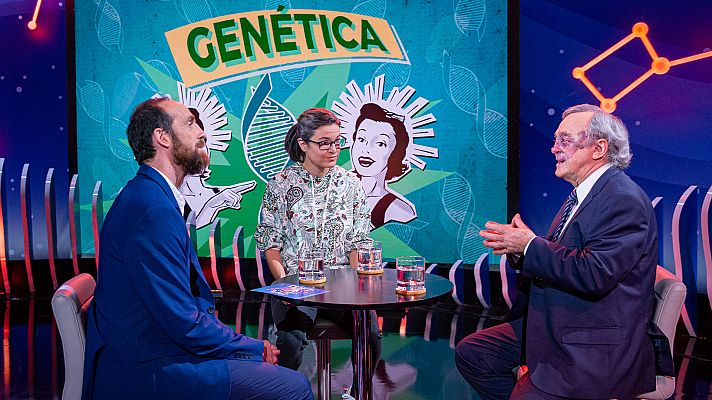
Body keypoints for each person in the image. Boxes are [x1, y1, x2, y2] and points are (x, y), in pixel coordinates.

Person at [82, 98, 312, 400]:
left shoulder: (151, 195)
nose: (202, 132)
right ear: (162, 137)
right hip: (153, 367)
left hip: (160, 349)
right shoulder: (152, 209)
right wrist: (253, 348)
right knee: (294, 388)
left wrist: (243, 346)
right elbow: (182, 321)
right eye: (190, 123)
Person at [455, 104, 659, 399]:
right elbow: (566, 257)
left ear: (599, 148)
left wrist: (529, 245)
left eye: (565, 140)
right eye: (555, 140)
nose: (554, 148)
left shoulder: (622, 199)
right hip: (559, 321)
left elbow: (595, 274)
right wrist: (521, 249)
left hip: (592, 344)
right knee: (474, 354)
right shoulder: (585, 193)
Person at [254, 108, 382, 386]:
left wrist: (355, 284)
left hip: (342, 286)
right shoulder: (280, 184)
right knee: (290, 341)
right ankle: (285, 392)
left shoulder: (350, 183)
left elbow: (358, 240)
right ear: (303, 144)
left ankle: (359, 392)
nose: (333, 149)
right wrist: (286, 285)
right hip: (296, 284)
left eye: (337, 142)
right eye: (324, 143)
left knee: (370, 333)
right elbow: (271, 244)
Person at [350, 103, 415, 228]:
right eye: (361, 139)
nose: (366, 150)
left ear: (395, 153)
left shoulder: (399, 211)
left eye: (380, 143)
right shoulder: (335, 191)